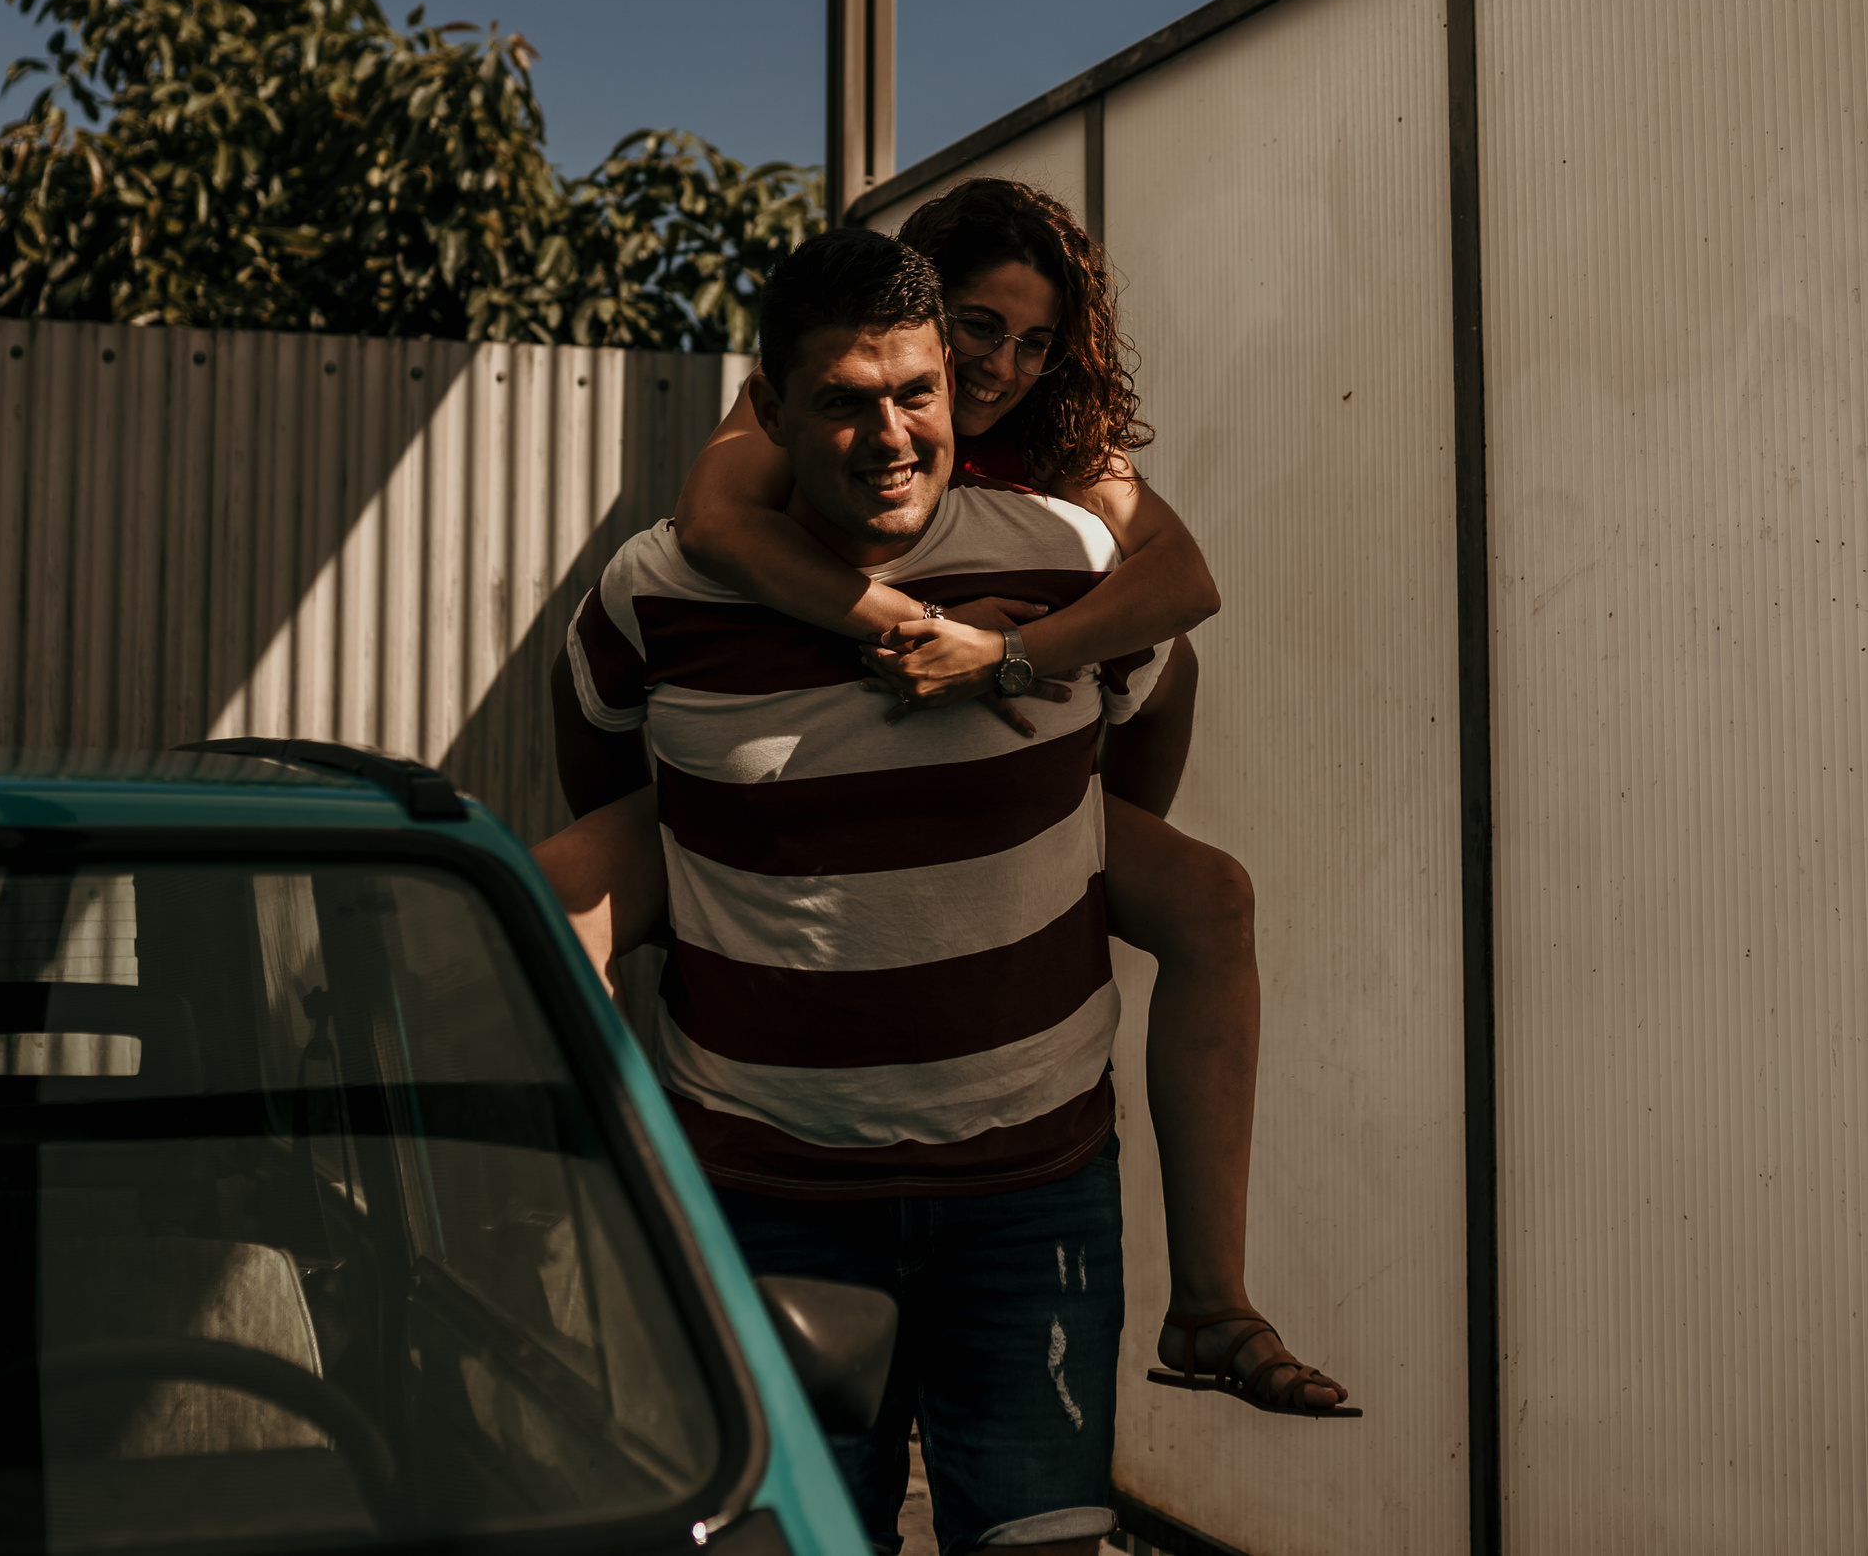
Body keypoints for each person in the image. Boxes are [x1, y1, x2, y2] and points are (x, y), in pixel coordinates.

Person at [539, 179, 1355, 1429]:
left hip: (1008, 782)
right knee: (554, 898)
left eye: (1035, 341)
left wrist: (1017, 677)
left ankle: (1210, 1300)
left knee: (1210, 898)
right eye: (979, 327)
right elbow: (712, 530)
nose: (1002, 368)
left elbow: (1183, 601)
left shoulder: (1060, 465)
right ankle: (593, 1261)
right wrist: (912, 624)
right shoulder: (821, 397)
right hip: (757, 798)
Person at [552, 228, 1152, 1555]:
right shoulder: (654, 593)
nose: (890, 436)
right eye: (843, 400)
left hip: (1033, 1187)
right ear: (768, 410)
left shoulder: (1066, 561)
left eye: (915, 392)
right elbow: (603, 775)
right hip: (764, 1193)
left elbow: (1150, 713)